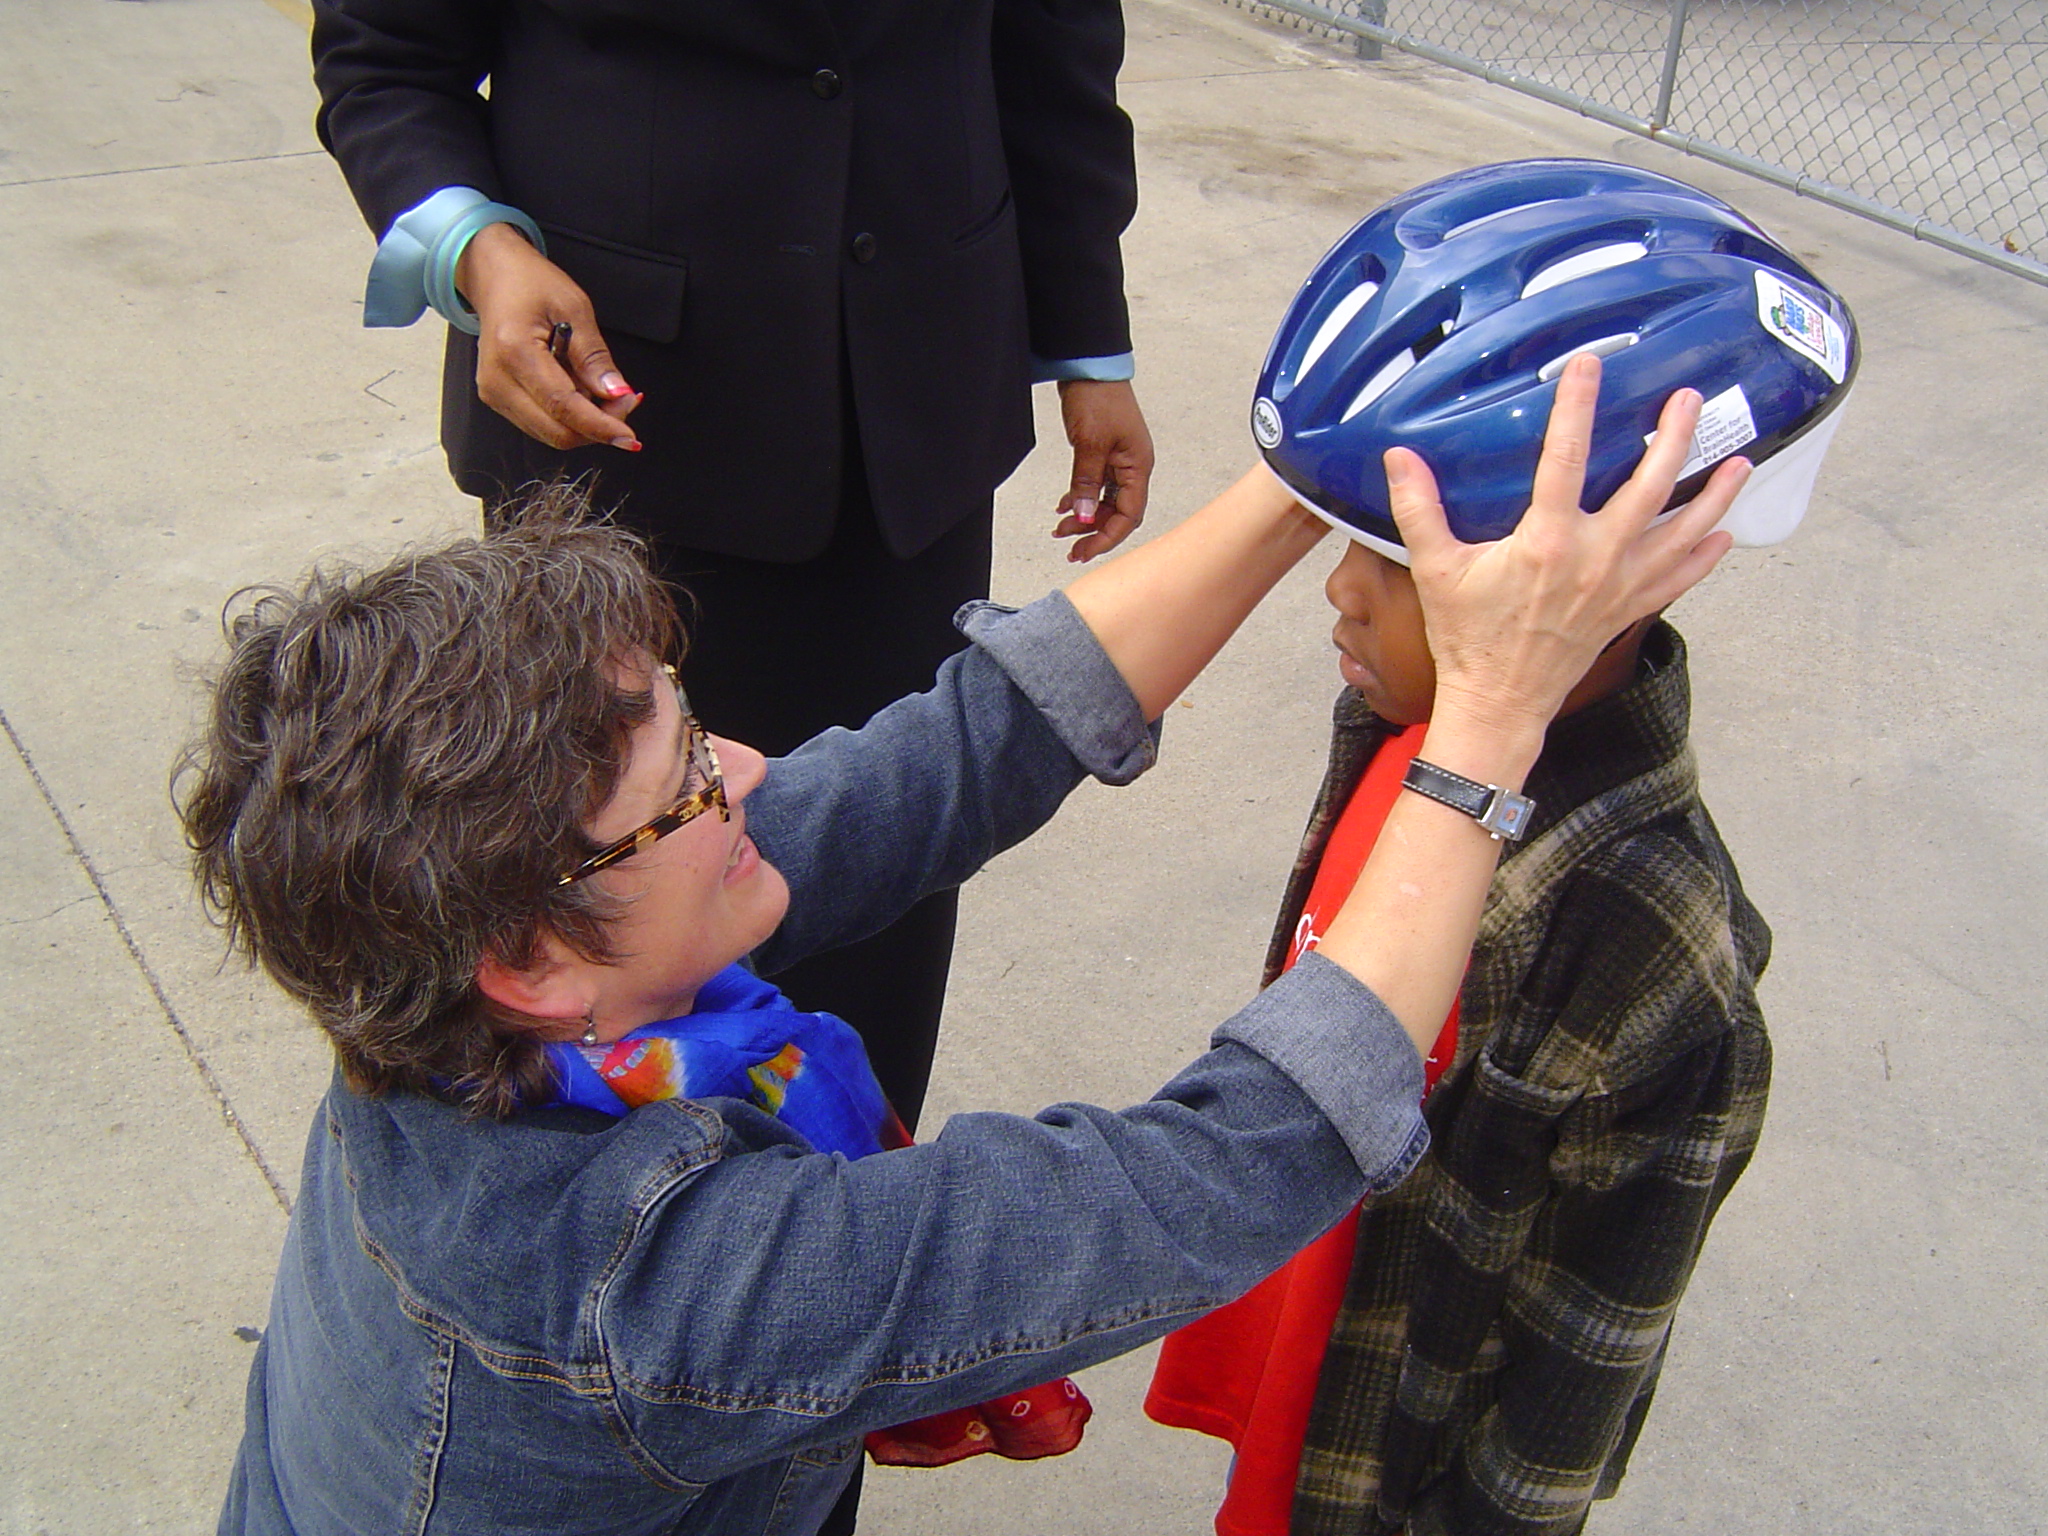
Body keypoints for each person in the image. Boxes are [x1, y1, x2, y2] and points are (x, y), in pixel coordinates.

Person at [186, 359, 1744, 1536]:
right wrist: (1489, 724)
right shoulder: (650, 1294)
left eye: (693, 719)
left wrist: (1310, 467)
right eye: (692, 784)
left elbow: (950, 756)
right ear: (530, 957)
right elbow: (1233, 1163)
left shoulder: (476, 974)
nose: (750, 767)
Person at [306, 1, 1159, 1238]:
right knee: (600, 914)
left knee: (882, 898)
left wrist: (1087, 342)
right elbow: (387, 58)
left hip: (902, 420)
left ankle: (843, 1287)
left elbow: (1051, 60)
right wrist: (477, 251)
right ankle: (616, 1320)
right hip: (620, 431)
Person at [1145, 160, 1856, 1536]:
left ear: (1596, 584)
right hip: (1308, 1345)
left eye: (1392, 560)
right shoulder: (1407, 726)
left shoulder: (1657, 960)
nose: (1338, 593)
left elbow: (1564, 1409)